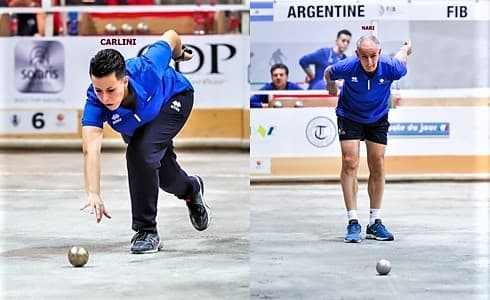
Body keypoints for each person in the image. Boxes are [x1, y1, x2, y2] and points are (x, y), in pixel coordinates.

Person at [81, 29, 211, 254]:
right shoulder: (95, 101)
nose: (105, 97)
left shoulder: (147, 68)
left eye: (111, 90)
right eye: (98, 89)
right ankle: (191, 189)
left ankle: (146, 231)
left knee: (140, 153)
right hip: (138, 124)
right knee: (165, 176)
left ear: (125, 80)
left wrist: (179, 55)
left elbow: (170, 36)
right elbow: (90, 148)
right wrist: (93, 192)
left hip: (173, 100)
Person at [324, 35, 412, 243]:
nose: (369, 62)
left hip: (377, 116)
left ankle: (374, 221)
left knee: (378, 164)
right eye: (364, 57)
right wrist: (330, 85)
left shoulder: (391, 67)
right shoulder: (347, 66)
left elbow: (401, 60)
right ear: (357, 55)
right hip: (349, 115)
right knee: (349, 162)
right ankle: (353, 221)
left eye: (373, 56)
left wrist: (406, 48)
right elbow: (328, 72)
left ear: (379, 53)